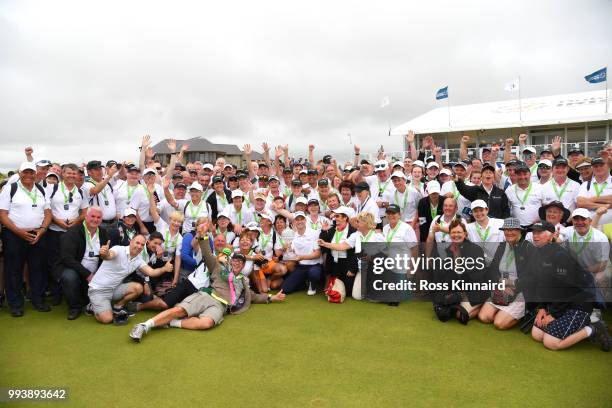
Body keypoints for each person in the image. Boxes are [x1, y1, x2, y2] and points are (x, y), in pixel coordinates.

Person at [129, 222, 286, 342]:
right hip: (207, 295)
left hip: (221, 306)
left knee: (207, 323)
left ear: (244, 266)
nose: (237, 263)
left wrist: (272, 298)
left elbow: (254, 296)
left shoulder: (243, 281)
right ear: (231, 262)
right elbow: (207, 254)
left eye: (241, 262)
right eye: (235, 261)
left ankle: (171, 323)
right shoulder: (219, 267)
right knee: (179, 310)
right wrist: (203, 236)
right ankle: (144, 326)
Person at [528, 222, 611, 352]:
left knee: (551, 343)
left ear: (551, 236)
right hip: (559, 303)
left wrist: (554, 314)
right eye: (534, 233)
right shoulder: (537, 253)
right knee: (537, 335)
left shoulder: (561, 255)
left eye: (540, 233)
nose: (535, 236)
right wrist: (542, 308)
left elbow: (566, 288)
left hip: (578, 304)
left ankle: (593, 328)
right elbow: (541, 284)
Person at [0, 162, 52, 316]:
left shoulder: (41, 189)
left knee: (38, 269)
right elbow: (2, 214)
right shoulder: (11, 188)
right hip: (14, 235)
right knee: (14, 270)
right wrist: (19, 232)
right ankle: (16, 304)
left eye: (31, 172)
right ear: (19, 173)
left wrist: (42, 230)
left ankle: (38, 300)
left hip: (38, 234)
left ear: (35, 173)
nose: (28, 175)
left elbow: (48, 212)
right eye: (25, 172)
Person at [87, 235, 173, 324]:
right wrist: (105, 253)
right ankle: (91, 306)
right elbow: (109, 255)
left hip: (114, 289)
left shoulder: (138, 260)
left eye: (142, 245)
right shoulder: (119, 249)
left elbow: (152, 272)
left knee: (138, 288)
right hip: (98, 290)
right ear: (131, 241)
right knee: (107, 319)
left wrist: (164, 269)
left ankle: (118, 306)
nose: (139, 246)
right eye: (137, 243)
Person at [478, 217, 535, 330]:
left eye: (513, 229)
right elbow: (493, 270)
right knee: (484, 317)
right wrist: (500, 284)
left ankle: (525, 311)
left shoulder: (528, 247)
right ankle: (504, 309)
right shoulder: (502, 246)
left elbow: (532, 277)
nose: (509, 232)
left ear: (519, 231)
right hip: (501, 287)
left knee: (499, 323)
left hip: (520, 291)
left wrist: (513, 285)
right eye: (506, 230)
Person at [56, 206, 110, 320]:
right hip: (75, 270)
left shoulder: (104, 233)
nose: (95, 220)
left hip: (95, 272)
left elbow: (106, 256)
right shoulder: (72, 233)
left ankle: (88, 301)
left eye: (98, 217)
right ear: (86, 217)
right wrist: (88, 274)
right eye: (93, 216)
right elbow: (67, 259)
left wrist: (106, 255)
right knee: (69, 277)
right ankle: (74, 307)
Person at [45, 163, 88, 305]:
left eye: (74, 173)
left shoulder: (81, 191)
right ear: (62, 174)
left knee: (73, 261)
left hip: (72, 233)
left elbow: (84, 212)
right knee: (53, 263)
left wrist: (76, 221)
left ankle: (71, 293)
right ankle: (56, 294)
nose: (71, 176)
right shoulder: (52, 188)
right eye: (68, 173)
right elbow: (47, 209)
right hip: (54, 231)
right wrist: (57, 221)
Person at [431, 219, 488, 324]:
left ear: (465, 234)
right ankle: (456, 302)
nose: (456, 235)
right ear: (449, 234)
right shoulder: (448, 250)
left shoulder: (475, 250)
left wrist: (460, 293)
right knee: (443, 309)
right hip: (459, 289)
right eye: (453, 232)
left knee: (460, 315)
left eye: (459, 232)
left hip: (475, 289)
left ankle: (482, 304)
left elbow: (478, 277)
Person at [318, 207, 358, 295]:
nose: (335, 218)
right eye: (335, 216)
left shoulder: (354, 232)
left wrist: (352, 269)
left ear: (345, 218)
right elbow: (323, 245)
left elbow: (357, 252)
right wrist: (324, 231)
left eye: (338, 216)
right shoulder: (332, 229)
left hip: (347, 265)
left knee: (347, 292)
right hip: (334, 264)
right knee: (334, 291)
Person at [281, 211, 322, 295]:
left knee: (314, 274)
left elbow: (317, 254)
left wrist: (302, 257)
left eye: (301, 219)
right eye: (297, 220)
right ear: (294, 222)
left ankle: (312, 285)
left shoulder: (314, 233)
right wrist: (285, 248)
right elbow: (290, 251)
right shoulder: (294, 235)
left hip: (315, 265)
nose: (299, 221)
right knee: (285, 289)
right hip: (301, 266)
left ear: (305, 220)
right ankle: (303, 284)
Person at [505, 162, 544, 227]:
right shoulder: (509, 190)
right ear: (515, 175)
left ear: (530, 174)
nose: (522, 177)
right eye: (519, 174)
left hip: (536, 227)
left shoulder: (540, 188)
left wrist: (542, 220)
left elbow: (546, 207)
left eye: (525, 174)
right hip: (517, 227)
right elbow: (506, 209)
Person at [83, 160, 118, 231]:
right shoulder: (87, 185)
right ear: (89, 172)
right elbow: (95, 190)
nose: (99, 171)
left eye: (100, 169)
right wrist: (109, 176)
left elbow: (121, 175)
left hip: (113, 223)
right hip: (98, 224)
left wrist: (121, 167)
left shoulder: (106, 182)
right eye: (96, 170)